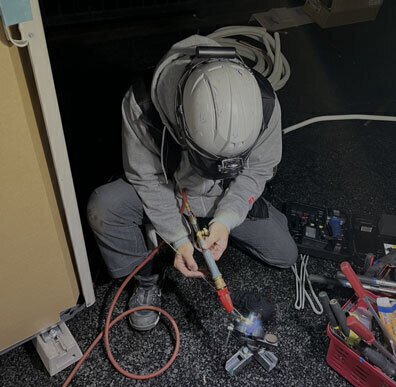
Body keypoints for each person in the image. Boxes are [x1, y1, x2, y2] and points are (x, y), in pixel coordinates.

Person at [87, 35, 298, 331]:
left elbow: (258, 169)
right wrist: (177, 238)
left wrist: (227, 219)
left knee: (284, 255)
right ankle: (146, 280)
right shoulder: (142, 103)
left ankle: (213, 224)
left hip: (221, 194)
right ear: (180, 121)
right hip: (167, 189)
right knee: (105, 207)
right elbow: (146, 179)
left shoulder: (262, 103)